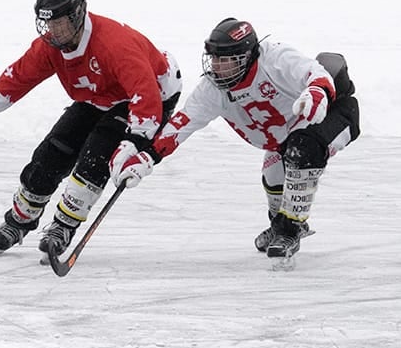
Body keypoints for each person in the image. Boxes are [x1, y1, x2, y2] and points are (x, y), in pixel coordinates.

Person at [0, 0, 182, 264]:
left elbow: (145, 95)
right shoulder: (50, 46)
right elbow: (18, 77)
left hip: (150, 94)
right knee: (52, 152)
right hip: (98, 95)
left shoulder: (115, 44)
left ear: (78, 15)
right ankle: (20, 219)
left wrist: (134, 143)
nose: (54, 32)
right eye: (48, 24)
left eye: (60, 23)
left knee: (95, 158)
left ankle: (62, 226)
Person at [110, 17, 360, 259]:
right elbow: (181, 125)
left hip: (333, 111)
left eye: (225, 60)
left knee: (302, 148)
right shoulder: (212, 89)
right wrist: (146, 157)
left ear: (247, 57)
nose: (216, 67)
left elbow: (314, 72)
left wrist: (317, 91)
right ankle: (280, 222)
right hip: (284, 137)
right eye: (214, 59)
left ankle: (291, 228)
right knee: (273, 174)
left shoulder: (275, 58)